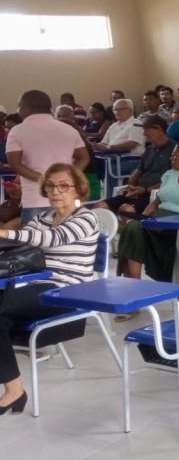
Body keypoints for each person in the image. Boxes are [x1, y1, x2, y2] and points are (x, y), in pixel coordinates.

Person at [0, 163, 98, 416]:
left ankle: (14, 391)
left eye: (64, 186)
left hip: (67, 292)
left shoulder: (86, 217)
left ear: (78, 189)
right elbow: (22, 245)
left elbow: (50, 239)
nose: (56, 191)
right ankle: (14, 389)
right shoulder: (42, 218)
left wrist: (4, 232)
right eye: (51, 186)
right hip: (34, 284)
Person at [116, 141, 179, 289]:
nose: (170, 158)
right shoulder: (169, 175)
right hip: (157, 221)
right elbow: (157, 200)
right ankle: (133, 286)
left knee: (131, 229)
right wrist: (146, 216)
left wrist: (169, 223)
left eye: (174, 155)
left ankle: (132, 288)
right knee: (132, 228)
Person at [6, 91, 90, 224]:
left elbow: (14, 164)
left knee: (36, 236)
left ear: (27, 107)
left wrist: (45, 179)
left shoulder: (17, 131)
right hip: (67, 197)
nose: (18, 111)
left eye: (19, 106)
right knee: (66, 235)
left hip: (35, 199)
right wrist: (65, 178)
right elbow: (84, 157)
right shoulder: (68, 129)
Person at [93, 116, 176, 217]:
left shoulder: (174, 151)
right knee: (100, 206)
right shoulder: (149, 149)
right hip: (137, 192)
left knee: (125, 209)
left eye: (146, 130)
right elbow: (137, 172)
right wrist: (132, 186)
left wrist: (145, 190)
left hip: (155, 195)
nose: (144, 134)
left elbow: (173, 181)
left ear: (158, 129)